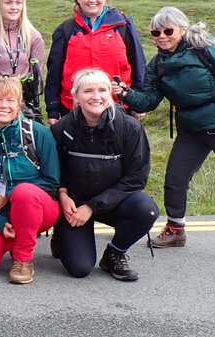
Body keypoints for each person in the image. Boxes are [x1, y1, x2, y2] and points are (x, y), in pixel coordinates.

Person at [121, 7, 215, 262]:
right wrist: (125, 93)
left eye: (168, 30)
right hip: (191, 129)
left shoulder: (204, 48)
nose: (162, 36)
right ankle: (176, 230)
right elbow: (148, 101)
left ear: (182, 29)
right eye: (156, 32)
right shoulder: (157, 63)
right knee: (175, 179)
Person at [51, 69, 159, 281]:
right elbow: (55, 170)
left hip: (114, 203)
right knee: (79, 269)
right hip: (74, 205)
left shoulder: (130, 128)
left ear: (110, 93)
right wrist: (62, 195)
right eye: (88, 91)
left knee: (147, 210)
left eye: (102, 90)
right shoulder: (62, 129)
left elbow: (136, 178)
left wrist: (92, 207)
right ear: (76, 96)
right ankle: (61, 235)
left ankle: (115, 253)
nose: (96, 96)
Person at [0, 77, 60, 284]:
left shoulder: (38, 133)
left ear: (19, 105)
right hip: (0, 212)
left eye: (10, 100)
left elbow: (52, 181)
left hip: (40, 207)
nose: (4, 106)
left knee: (23, 193)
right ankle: (15, 237)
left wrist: (7, 194)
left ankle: (23, 259)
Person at [45, 0, 145, 124]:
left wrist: (137, 102)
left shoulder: (123, 25)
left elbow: (138, 64)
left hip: (117, 106)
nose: (92, 0)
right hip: (73, 108)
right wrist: (53, 110)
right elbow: (54, 73)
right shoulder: (65, 30)